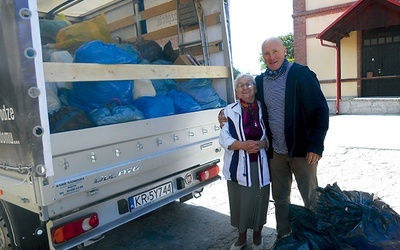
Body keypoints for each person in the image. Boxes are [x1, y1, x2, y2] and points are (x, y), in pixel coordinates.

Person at [219, 37, 329, 244]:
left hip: (302, 151)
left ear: (284, 51)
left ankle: (317, 237)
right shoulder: (260, 82)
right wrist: (223, 114)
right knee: (280, 198)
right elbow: (246, 101)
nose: (271, 57)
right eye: (266, 54)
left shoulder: (301, 75)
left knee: (311, 197)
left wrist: (316, 145)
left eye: (275, 51)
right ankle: (283, 234)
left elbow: (320, 110)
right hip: (276, 153)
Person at [219, 74, 271, 250]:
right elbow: (223, 138)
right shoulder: (228, 111)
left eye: (248, 84)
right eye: (240, 85)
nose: (245, 87)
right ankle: (241, 237)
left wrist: (262, 144)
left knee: (259, 201)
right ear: (236, 91)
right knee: (239, 202)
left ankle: (257, 235)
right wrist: (243, 145)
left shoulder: (265, 108)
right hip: (238, 165)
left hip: (260, 165)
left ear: (255, 88)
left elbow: (272, 134)